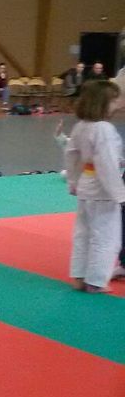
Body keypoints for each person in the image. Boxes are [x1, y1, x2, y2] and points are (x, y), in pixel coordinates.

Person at [64, 80, 125, 293]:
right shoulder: (104, 129)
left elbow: (71, 155)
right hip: (103, 190)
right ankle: (96, 281)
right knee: (106, 237)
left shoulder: (81, 126)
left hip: (86, 186)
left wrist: (73, 182)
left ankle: (79, 276)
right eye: (114, 100)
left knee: (83, 234)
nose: (117, 104)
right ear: (103, 103)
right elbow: (107, 164)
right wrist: (120, 194)